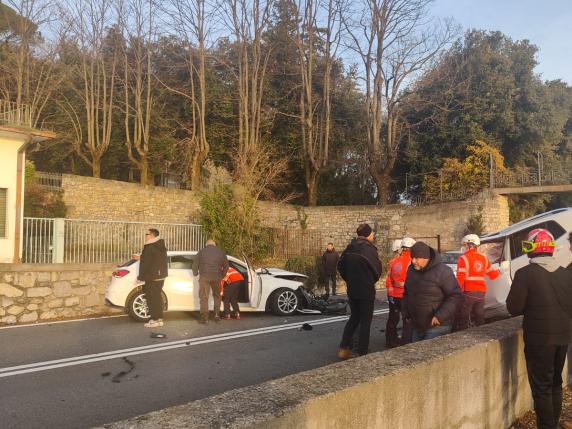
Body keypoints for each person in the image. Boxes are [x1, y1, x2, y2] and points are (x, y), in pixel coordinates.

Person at [506, 228, 572, 429]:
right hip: (563, 338)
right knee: (555, 383)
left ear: (532, 248)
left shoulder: (525, 273)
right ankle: (553, 423)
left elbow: (513, 307)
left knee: (541, 387)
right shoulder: (565, 273)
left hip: (538, 341)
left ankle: (547, 426)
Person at [336, 223, 382, 359]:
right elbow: (377, 271)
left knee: (354, 318)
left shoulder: (350, 247)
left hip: (352, 289)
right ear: (368, 234)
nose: (373, 235)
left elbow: (340, 266)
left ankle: (343, 348)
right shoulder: (369, 250)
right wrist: (369, 280)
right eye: (372, 233)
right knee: (366, 321)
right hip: (366, 290)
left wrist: (350, 279)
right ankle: (362, 352)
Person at [402, 241, 462, 342]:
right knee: (415, 355)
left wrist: (440, 316)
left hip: (437, 326)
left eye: (416, 258)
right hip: (416, 325)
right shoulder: (411, 270)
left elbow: (455, 295)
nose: (413, 261)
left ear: (426, 258)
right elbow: (407, 293)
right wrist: (405, 313)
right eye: (412, 257)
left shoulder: (443, 271)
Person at [454, 234, 500, 331]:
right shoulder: (484, 258)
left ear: (469, 245)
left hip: (469, 292)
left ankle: (463, 336)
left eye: (465, 245)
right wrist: (501, 270)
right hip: (481, 293)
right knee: (480, 316)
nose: (464, 247)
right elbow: (493, 275)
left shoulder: (463, 258)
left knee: (464, 316)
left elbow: (460, 278)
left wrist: (455, 292)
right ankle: (481, 335)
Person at [385, 237, 415, 348]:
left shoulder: (393, 262)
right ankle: (406, 342)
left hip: (394, 295)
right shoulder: (412, 261)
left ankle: (390, 341)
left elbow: (389, 279)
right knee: (407, 319)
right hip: (405, 295)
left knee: (393, 318)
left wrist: (391, 292)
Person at [136, 228, 168, 328]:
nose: (145, 236)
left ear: (152, 236)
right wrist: (142, 257)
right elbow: (155, 259)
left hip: (152, 277)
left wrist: (140, 277)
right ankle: (159, 319)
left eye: (147, 234)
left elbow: (146, 263)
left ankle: (154, 320)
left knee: (152, 299)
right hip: (160, 276)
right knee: (157, 298)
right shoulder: (160, 246)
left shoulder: (149, 246)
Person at [192, 239, 229, 324]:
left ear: (206, 245)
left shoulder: (201, 252)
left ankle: (204, 318)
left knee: (204, 297)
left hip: (204, 277)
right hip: (217, 277)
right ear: (214, 244)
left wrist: (195, 273)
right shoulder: (221, 252)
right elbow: (226, 266)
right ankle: (216, 315)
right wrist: (221, 276)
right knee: (217, 296)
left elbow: (195, 264)